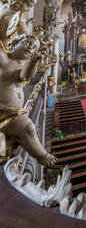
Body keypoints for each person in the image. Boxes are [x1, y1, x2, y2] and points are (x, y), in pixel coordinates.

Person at [0, 34, 57, 166]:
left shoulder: (22, 64)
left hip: (14, 111)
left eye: (34, 48)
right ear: (15, 43)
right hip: (5, 110)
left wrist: (34, 61)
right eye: (27, 43)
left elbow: (25, 76)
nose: (30, 48)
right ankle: (41, 155)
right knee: (28, 128)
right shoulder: (4, 58)